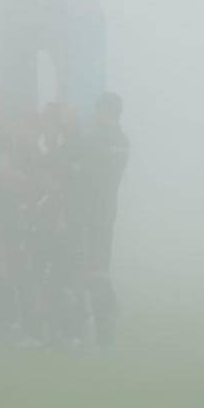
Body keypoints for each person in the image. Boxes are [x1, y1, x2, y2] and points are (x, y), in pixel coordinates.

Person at [80, 92, 130, 348]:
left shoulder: (103, 140)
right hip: (101, 212)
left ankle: (105, 326)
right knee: (95, 271)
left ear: (107, 112)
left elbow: (92, 171)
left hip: (95, 213)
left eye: (99, 110)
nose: (95, 114)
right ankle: (105, 322)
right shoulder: (117, 140)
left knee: (94, 271)